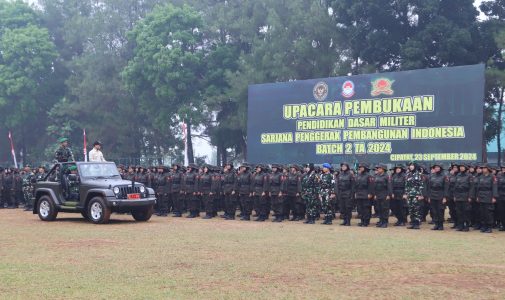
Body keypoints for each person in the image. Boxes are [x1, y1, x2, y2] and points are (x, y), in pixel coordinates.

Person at [475, 163, 498, 233]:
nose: (483, 169)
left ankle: (489, 227)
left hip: (489, 196)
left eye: (485, 168)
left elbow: (494, 187)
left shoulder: (492, 177)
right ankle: (484, 226)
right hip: (481, 196)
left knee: (488, 212)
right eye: (483, 168)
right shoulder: (481, 177)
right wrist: (477, 196)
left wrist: (494, 197)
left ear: (488, 169)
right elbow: (478, 188)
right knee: (482, 212)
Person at [427, 163, 449, 230]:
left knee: (440, 210)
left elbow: (446, 187)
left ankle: (441, 225)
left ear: (440, 168)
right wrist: (429, 196)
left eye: (438, 167)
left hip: (440, 195)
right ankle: (436, 224)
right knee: (434, 210)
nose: (436, 168)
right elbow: (429, 187)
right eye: (435, 167)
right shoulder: (431, 176)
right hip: (432, 195)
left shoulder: (444, 176)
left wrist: (445, 197)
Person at [453, 163, 473, 231]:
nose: (461, 168)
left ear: (466, 168)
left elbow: (471, 187)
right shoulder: (458, 175)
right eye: (460, 167)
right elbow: (455, 186)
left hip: (466, 195)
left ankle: (466, 226)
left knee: (466, 211)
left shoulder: (469, 176)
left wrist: (470, 196)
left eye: (462, 167)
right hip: (458, 195)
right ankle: (460, 225)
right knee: (459, 211)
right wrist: (455, 196)